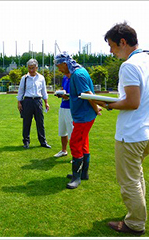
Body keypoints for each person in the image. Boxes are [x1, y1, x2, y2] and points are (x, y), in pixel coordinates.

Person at [93, 22, 149, 235]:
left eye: (112, 45)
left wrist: (108, 104)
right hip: (147, 132)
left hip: (131, 134)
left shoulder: (129, 65)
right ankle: (137, 216)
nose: (110, 51)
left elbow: (132, 102)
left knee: (129, 181)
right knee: (136, 176)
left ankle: (135, 224)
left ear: (123, 42)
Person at [54, 52, 101, 189]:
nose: (58, 69)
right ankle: (83, 173)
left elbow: (88, 95)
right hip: (82, 114)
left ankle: (76, 177)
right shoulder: (78, 72)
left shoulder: (77, 74)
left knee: (75, 143)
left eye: (58, 66)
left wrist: (97, 108)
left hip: (83, 116)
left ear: (64, 63)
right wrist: (69, 96)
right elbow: (81, 94)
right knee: (83, 142)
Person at [17, 58, 51, 149]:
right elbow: (20, 91)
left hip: (38, 101)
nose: (31, 70)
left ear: (36, 68)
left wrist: (46, 102)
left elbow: (44, 91)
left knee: (40, 122)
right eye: (29, 68)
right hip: (27, 101)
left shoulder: (41, 78)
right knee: (26, 122)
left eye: (32, 68)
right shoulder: (24, 78)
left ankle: (43, 141)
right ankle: (26, 141)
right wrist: (19, 103)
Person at [54, 73, 73, 158]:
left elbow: (76, 93)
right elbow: (63, 88)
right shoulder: (65, 77)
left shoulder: (74, 77)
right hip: (63, 106)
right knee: (62, 131)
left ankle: (75, 155)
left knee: (71, 132)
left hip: (71, 108)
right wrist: (60, 92)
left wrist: (67, 96)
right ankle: (63, 150)